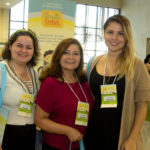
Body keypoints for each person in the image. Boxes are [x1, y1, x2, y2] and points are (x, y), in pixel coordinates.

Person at [84, 14, 150, 150]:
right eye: (110, 32)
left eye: (120, 33)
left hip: (121, 136)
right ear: (104, 34)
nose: (114, 38)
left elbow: (142, 106)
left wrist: (132, 138)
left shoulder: (137, 65)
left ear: (127, 36)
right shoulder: (93, 62)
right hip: (93, 133)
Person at [34, 38, 94, 150]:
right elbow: (39, 120)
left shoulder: (84, 82)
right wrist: (68, 131)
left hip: (80, 144)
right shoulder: (51, 83)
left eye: (75, 54)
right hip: (56, 146)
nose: (71, 57)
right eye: (66, 53)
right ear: (58, 56)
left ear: (80, 58)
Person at [1, 29, 40, 150]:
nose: (24, 50)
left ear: (34, 51)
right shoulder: (2, 69)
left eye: (29, 47)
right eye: (19, 45)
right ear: (10, 47)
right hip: (6, 133)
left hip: (30, 133)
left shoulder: (33, 72)